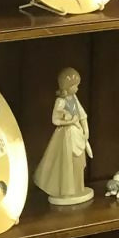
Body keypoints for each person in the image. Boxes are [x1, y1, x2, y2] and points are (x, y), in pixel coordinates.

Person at [32, 66, 93, 206]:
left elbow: (82, 114)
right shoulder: (61, 101)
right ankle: (67, 189)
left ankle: (78, 187)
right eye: (74, 86)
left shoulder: (74, 98)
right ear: (67, 86)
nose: (77, 89)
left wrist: (85, 130)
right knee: (67, 163)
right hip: (66, 135)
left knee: (78, 161)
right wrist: (68, 121)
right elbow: (55, 120)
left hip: (77, 133)